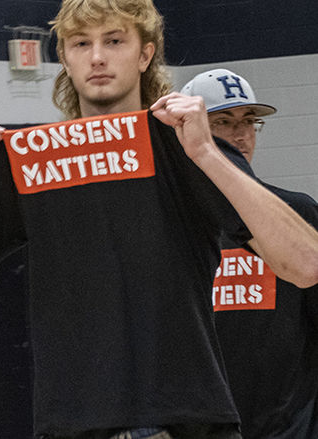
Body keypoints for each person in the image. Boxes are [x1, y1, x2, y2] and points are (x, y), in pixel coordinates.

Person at [0, 0, 318, 438]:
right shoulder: (29, 160)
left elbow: (305, 265)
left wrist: (208, 153)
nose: (97, 57)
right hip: (75, 426)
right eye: (81, 43)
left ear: (145, 54)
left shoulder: (187, 147)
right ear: (64, 58)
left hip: (188, 423)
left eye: (114, 41)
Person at [182, 68, 318, 438]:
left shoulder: (297, 215)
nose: (241, 134)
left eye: (249, 121)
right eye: (223, 121)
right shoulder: (173, 223)